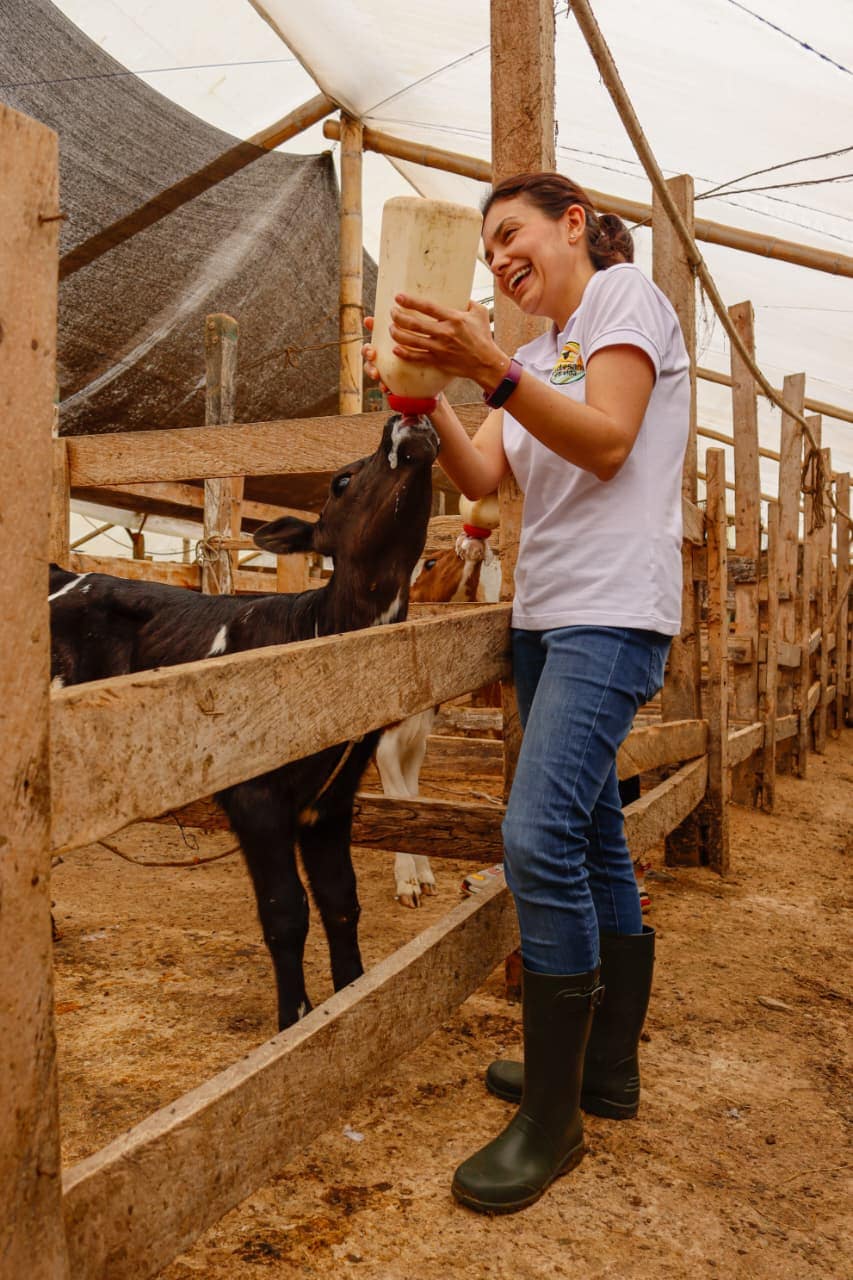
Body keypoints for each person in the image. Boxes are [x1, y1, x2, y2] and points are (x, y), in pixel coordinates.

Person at [363, 171, 690, 1215]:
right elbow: (480, 477)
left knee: (538, 835)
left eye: (514, 234)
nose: (501, 258)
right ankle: (600, 1069)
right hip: (548, 616)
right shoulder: (546, 350)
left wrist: (489, 365)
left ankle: (553, 1121)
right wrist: (423, 400)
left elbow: (605, 440)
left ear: (574, 226)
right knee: (590, 836)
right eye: (488, 248)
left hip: (611, 612)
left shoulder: (622, 300)